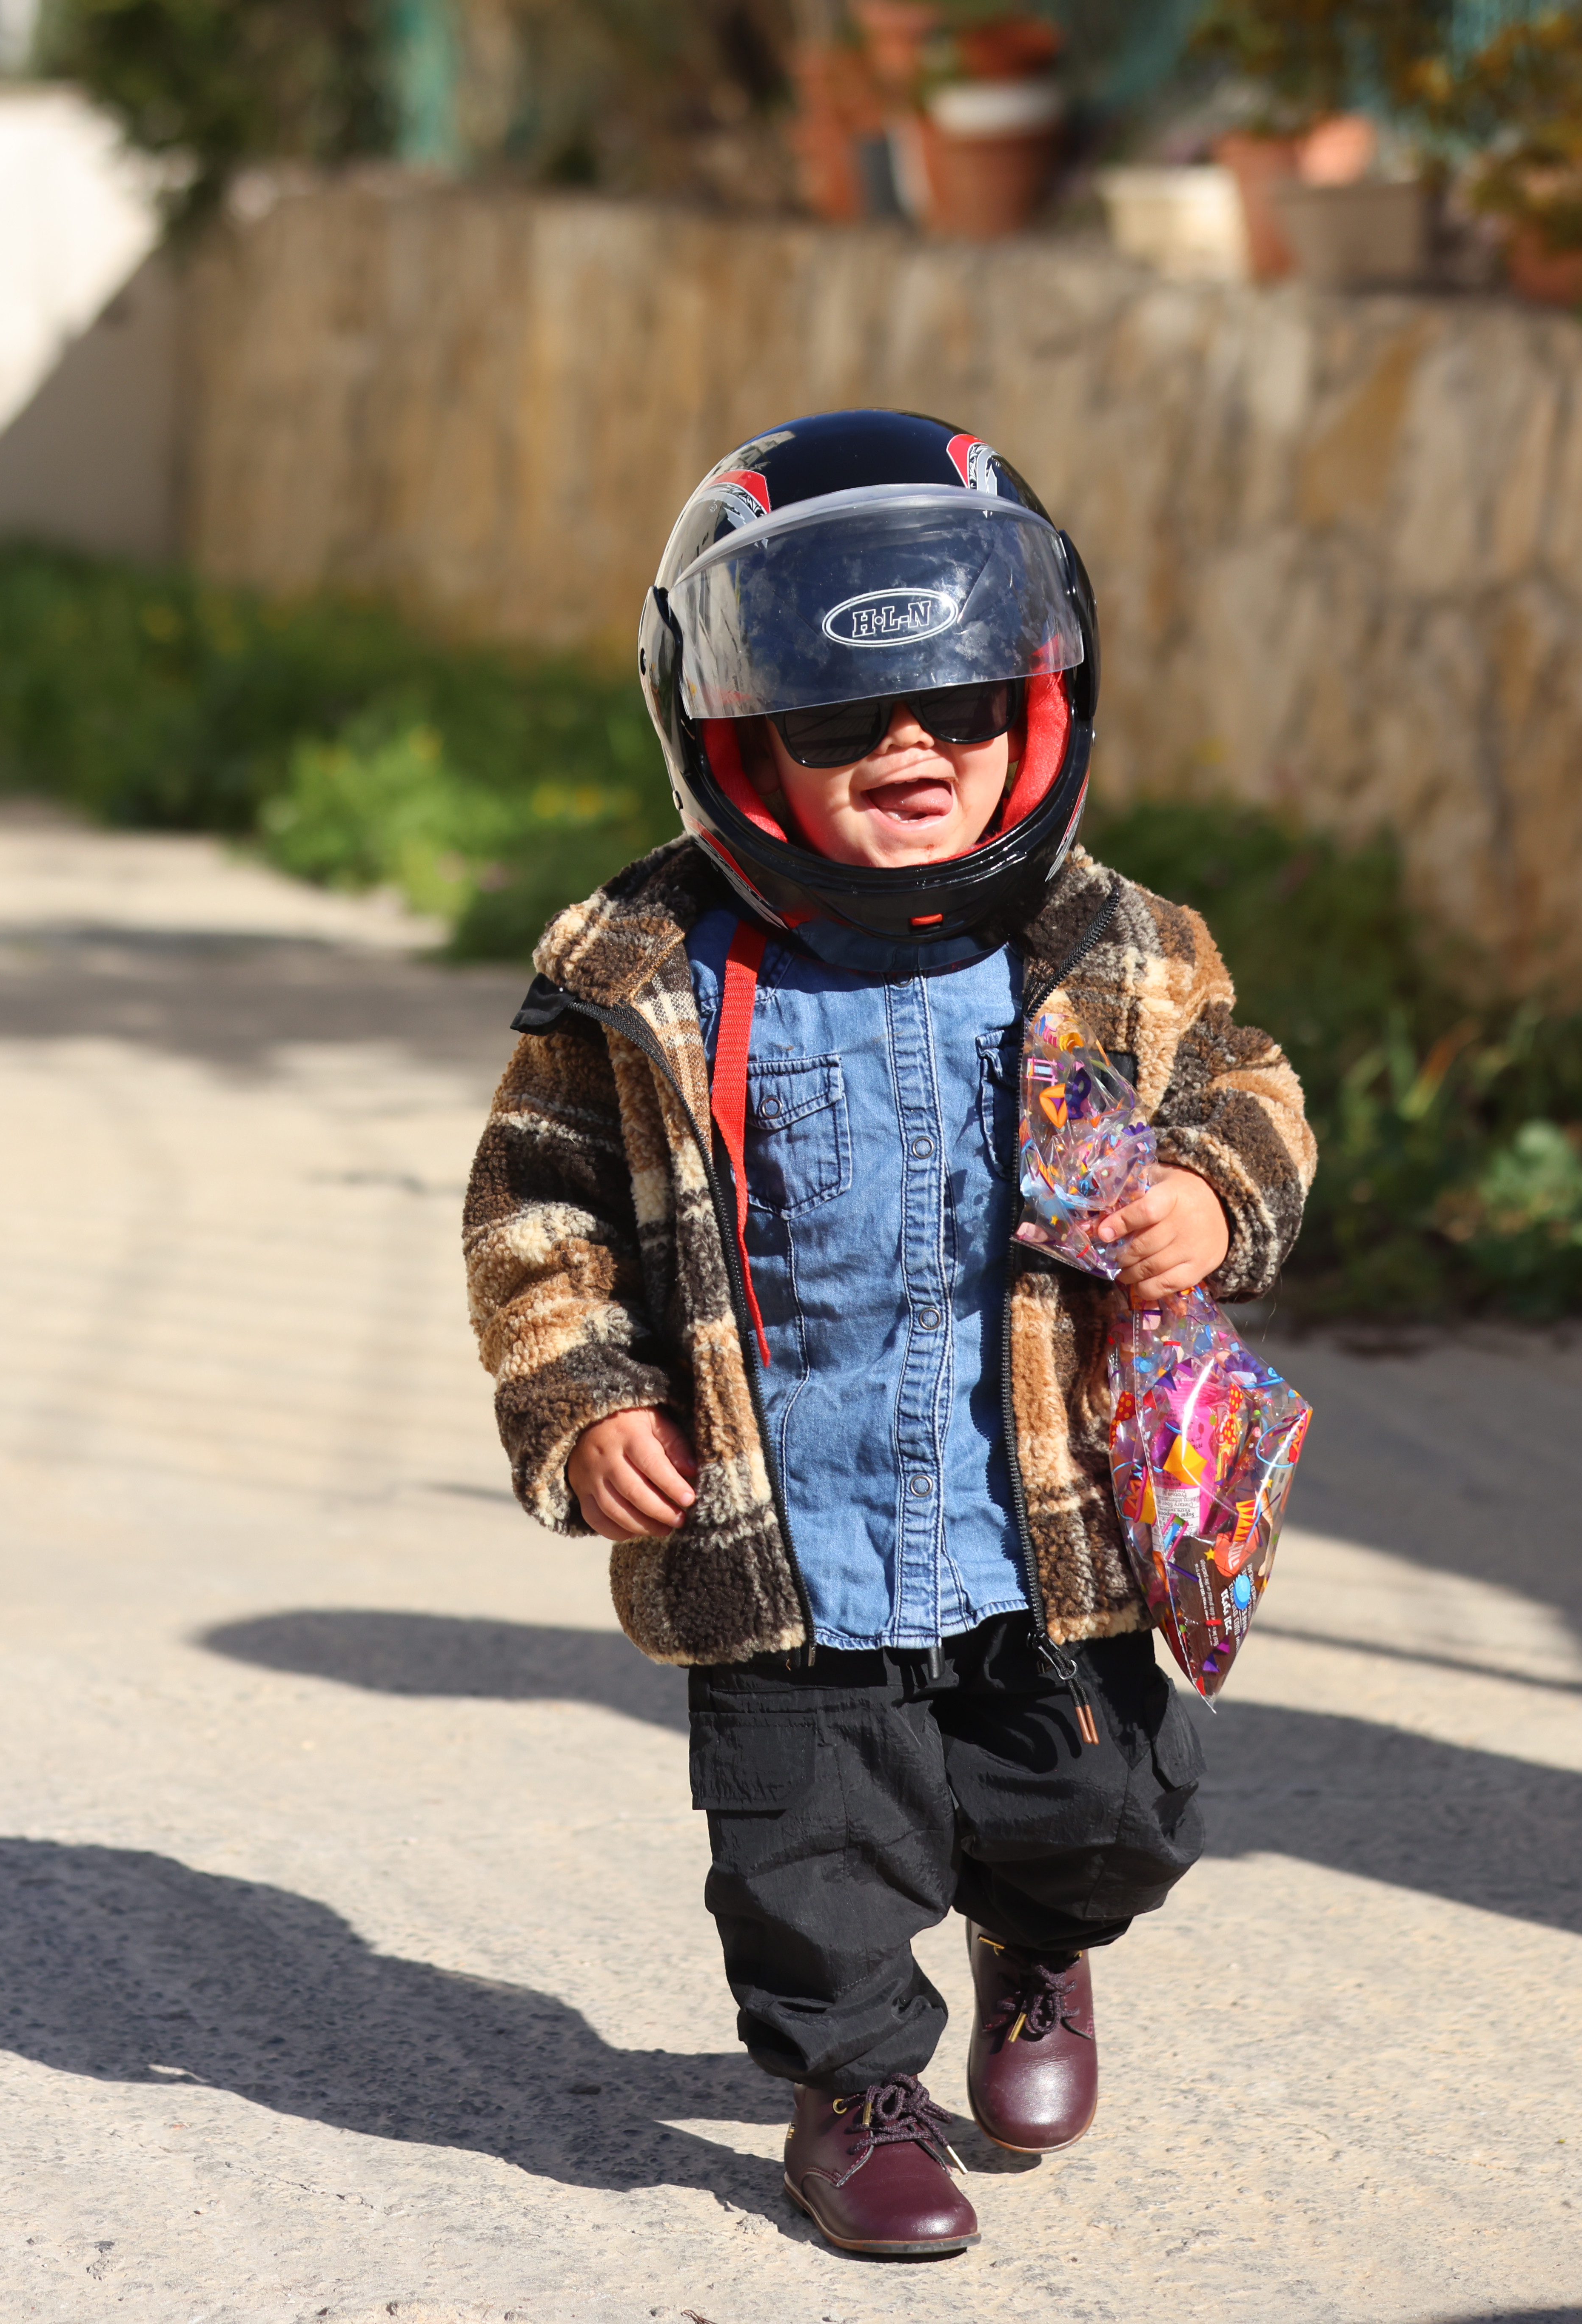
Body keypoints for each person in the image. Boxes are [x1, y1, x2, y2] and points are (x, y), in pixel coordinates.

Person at [462, 409, 1313, 2258]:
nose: (909, 752)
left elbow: (1248, 1094)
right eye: (844, 723)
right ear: (736, 740)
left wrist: (1206, 1196)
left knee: (1111, 1810)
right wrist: (580, 1388)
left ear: (1045, 709)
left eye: (959, 709)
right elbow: (535, 1204)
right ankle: (850, 2090)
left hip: (1052, 1509)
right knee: (810, 1856)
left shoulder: (1117, 943)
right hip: (786, 1524)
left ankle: (1041, 1942)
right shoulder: (642, 972)